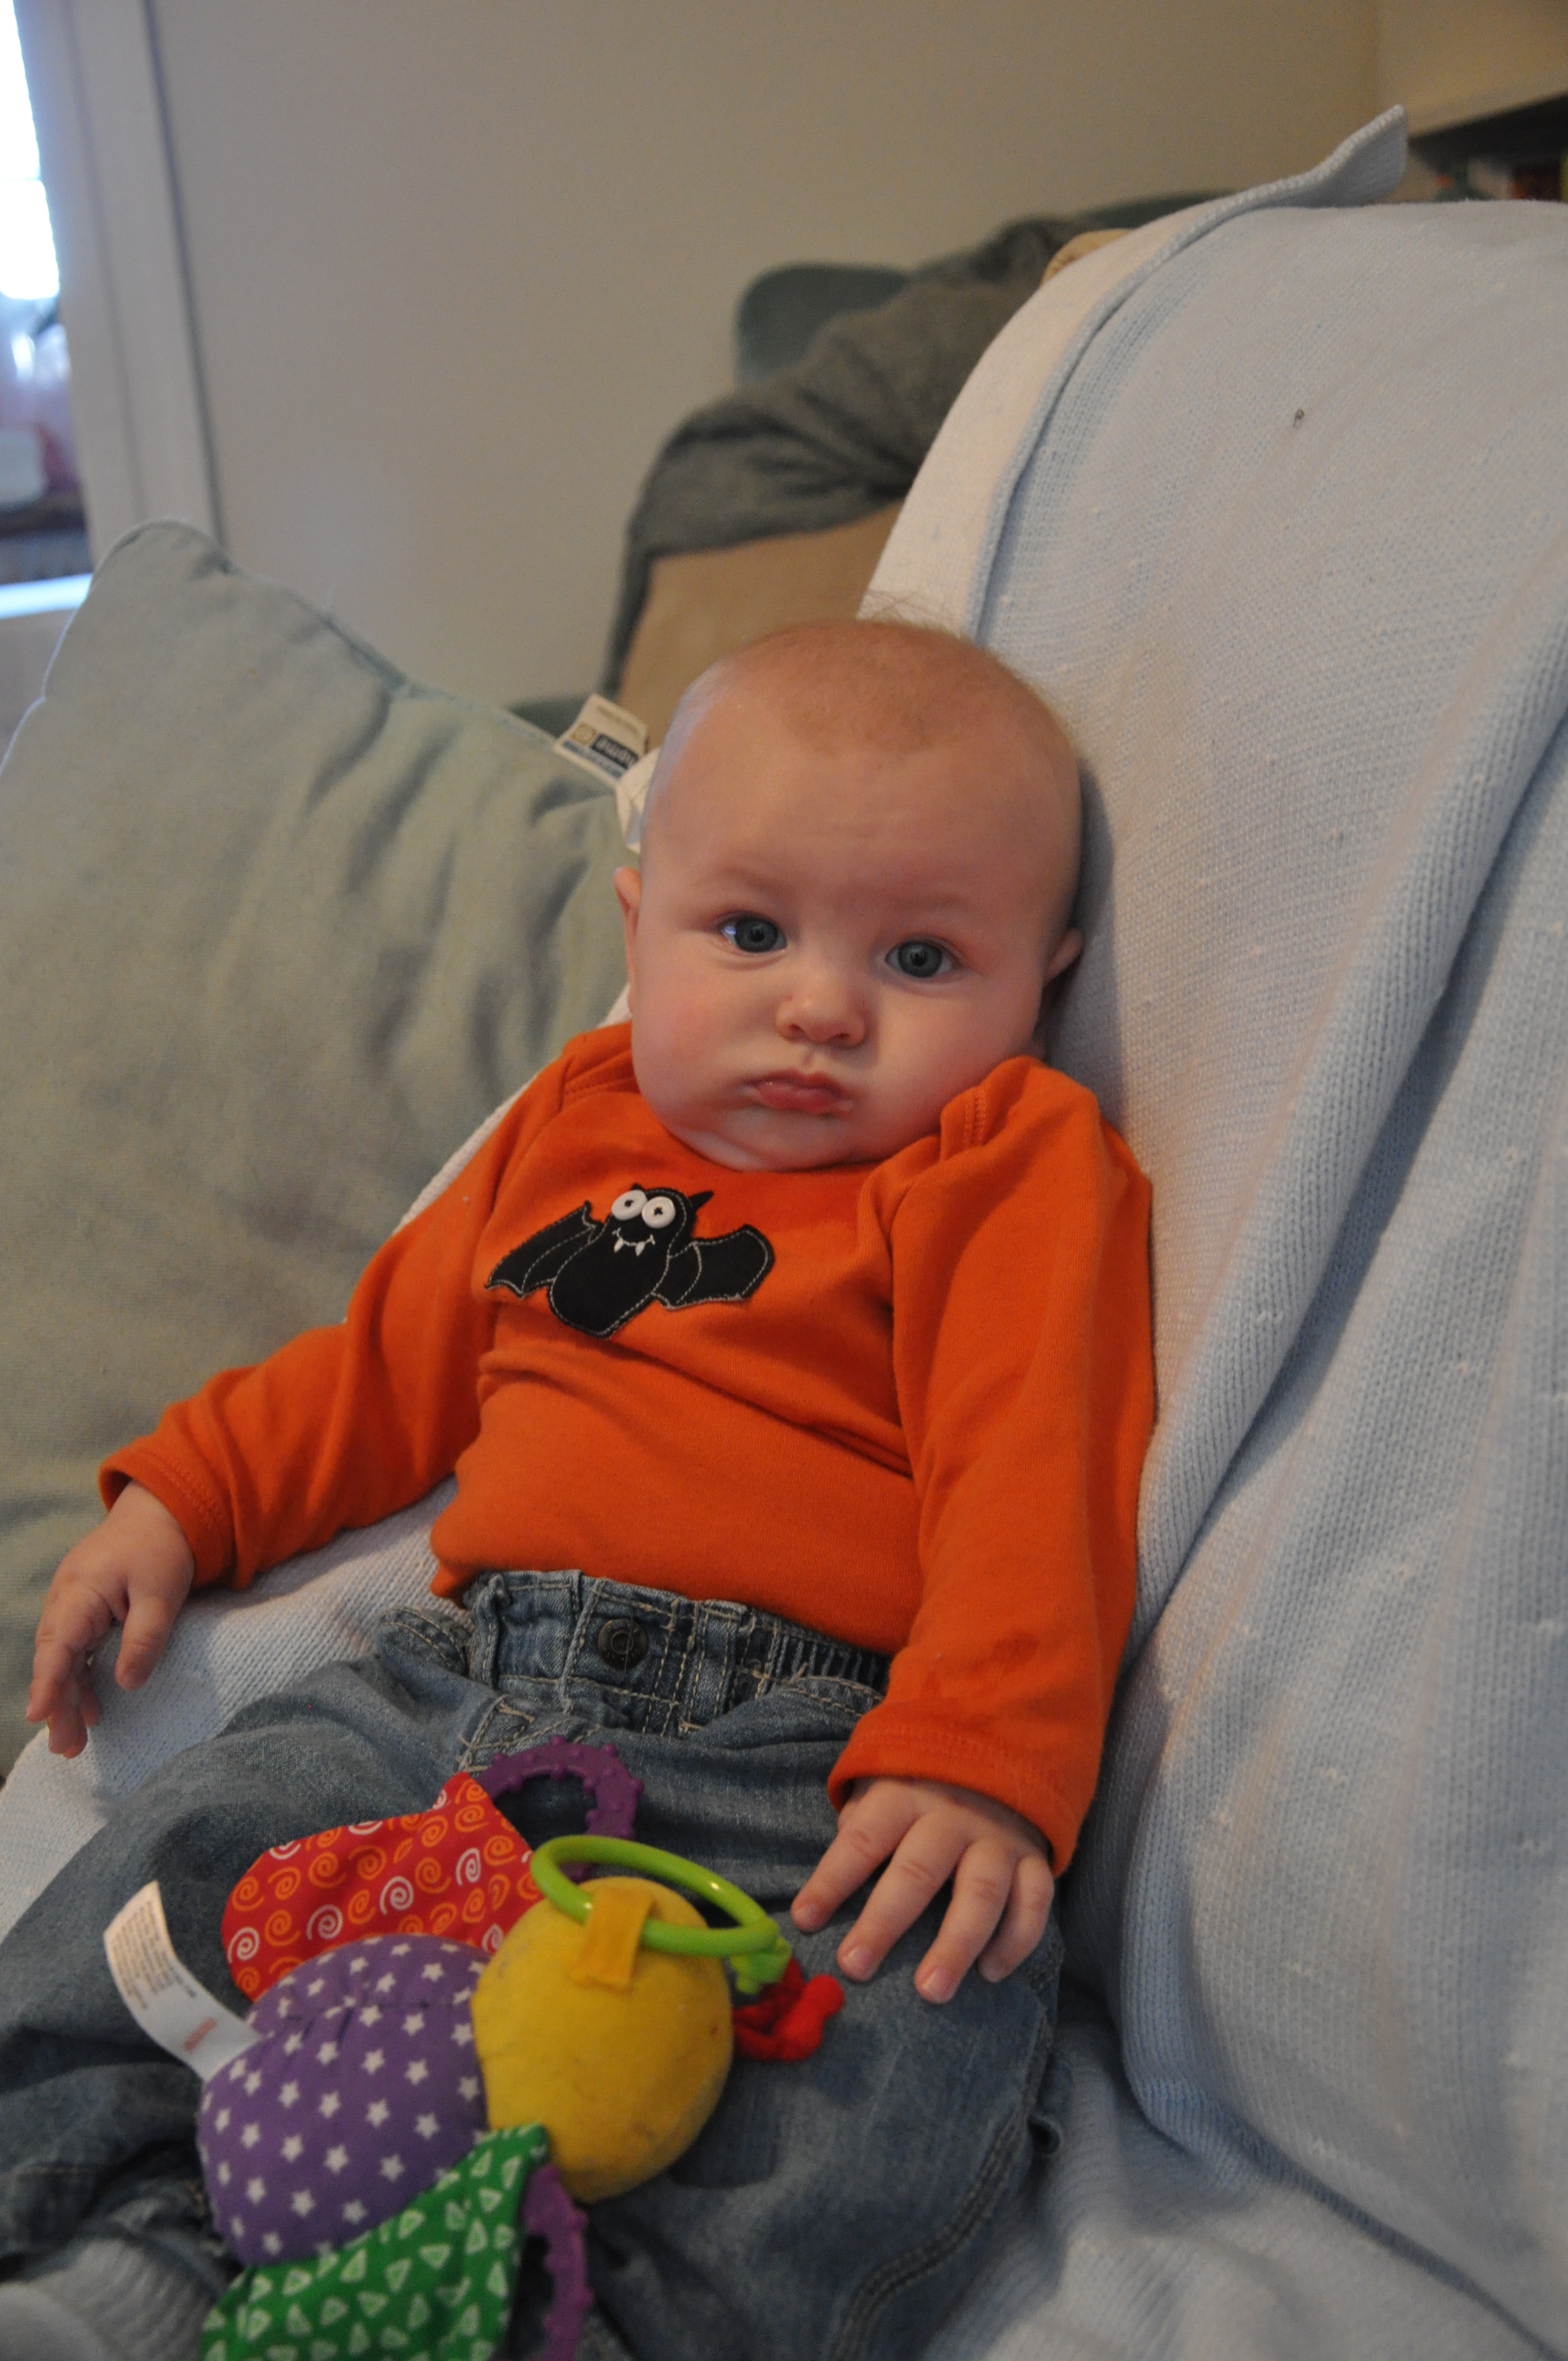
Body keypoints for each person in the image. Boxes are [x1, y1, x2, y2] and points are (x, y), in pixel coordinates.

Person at [3, 619, 1152, 2361]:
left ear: (1045, 981)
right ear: (640, 922)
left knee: (910, 2017)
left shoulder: (1005, 1160)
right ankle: (126, 2261)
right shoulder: (576, 1121)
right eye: (749, 932)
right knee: (189, 1863)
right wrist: (178, 1502)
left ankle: (577, 2325)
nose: (821, 1008)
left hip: (797, 1763)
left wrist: (981, 1756)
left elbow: (1037, 1464)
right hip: (453, 1696)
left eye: (922, 958)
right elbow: (377, 1374)